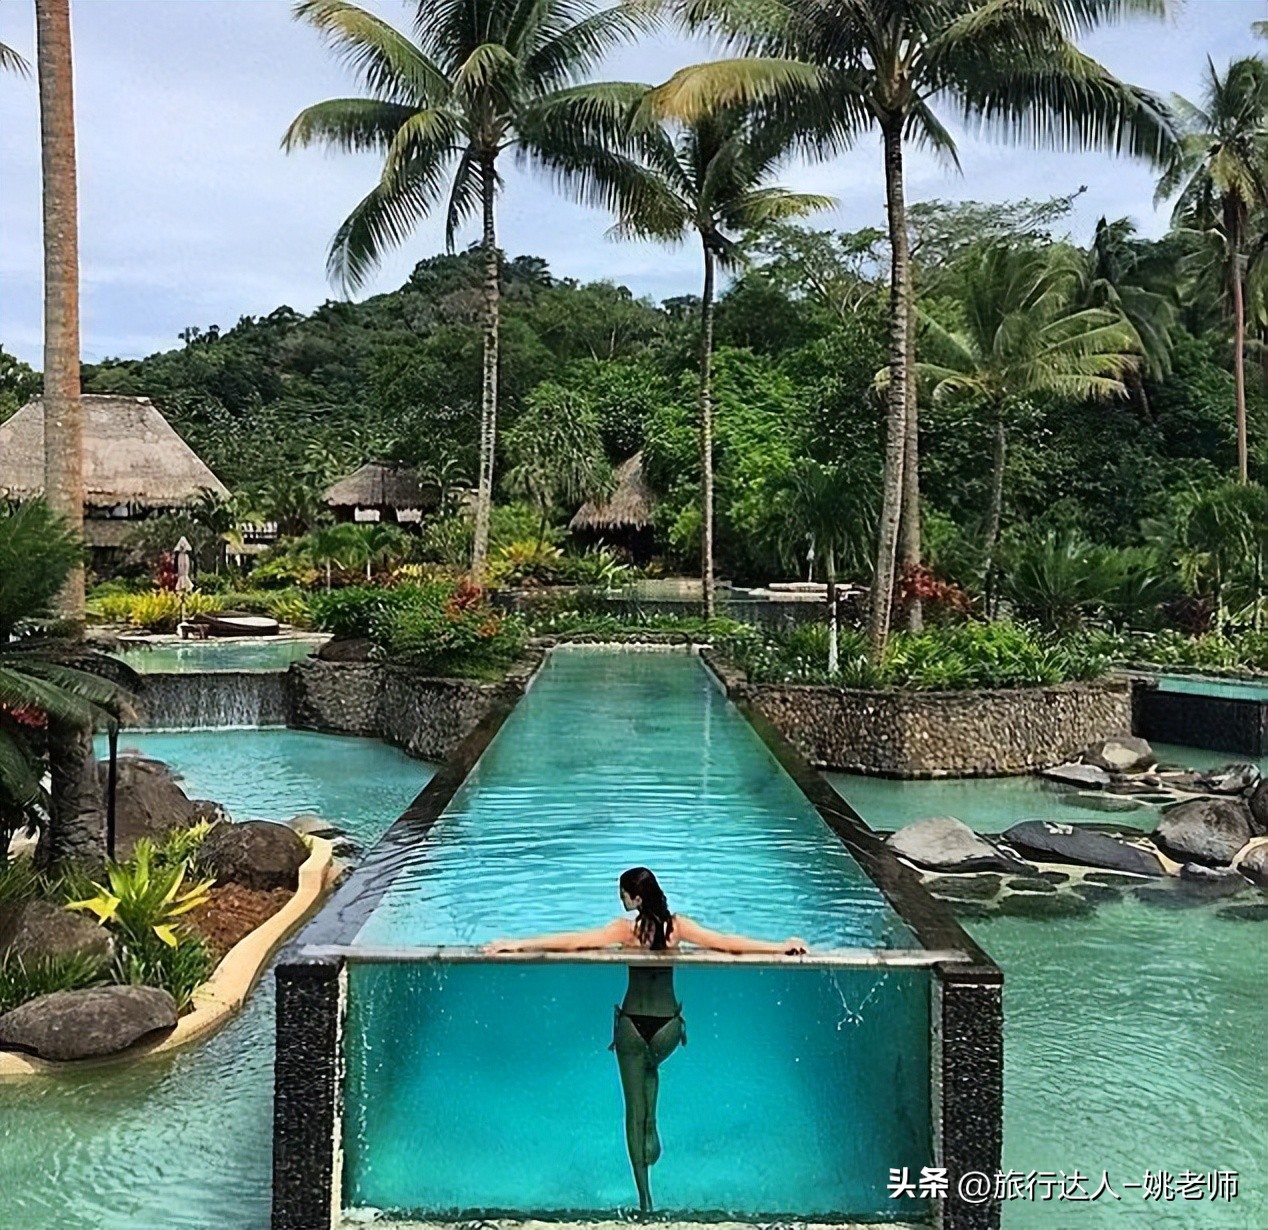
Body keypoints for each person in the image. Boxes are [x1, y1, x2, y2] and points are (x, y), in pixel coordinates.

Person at [483, 866, 808, 1213]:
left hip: (632, 1027)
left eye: (623, 893)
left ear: (636, 898)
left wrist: (516, 944)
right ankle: (652, 1121)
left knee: (631, 1110)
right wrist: (781, 946)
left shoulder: (626, 931)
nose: (619, 899)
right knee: (651, 1067)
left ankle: (645, 1201)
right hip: (667, 1027)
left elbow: (574, 940)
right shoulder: (677, 927)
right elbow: (728, 945)